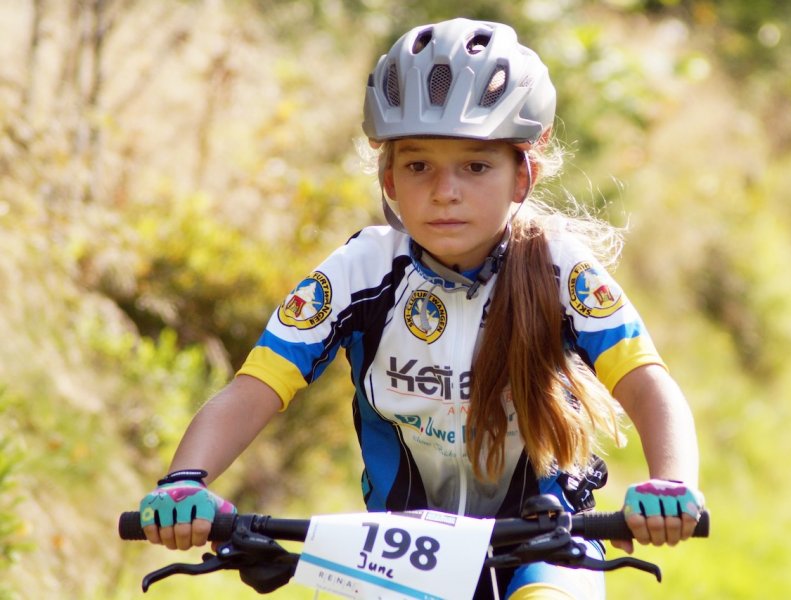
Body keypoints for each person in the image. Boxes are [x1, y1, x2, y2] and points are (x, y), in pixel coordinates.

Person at [137, 18, 704, 599]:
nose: (444, 191)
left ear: (522, 177)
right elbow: (254, 388)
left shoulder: (562, 270)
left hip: (547, 544)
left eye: (475, 166)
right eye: (418, 166)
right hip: (401, 555)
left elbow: (646, 383)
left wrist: (672, 482)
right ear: (389, 178)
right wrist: (185, 480)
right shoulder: (360, 272)